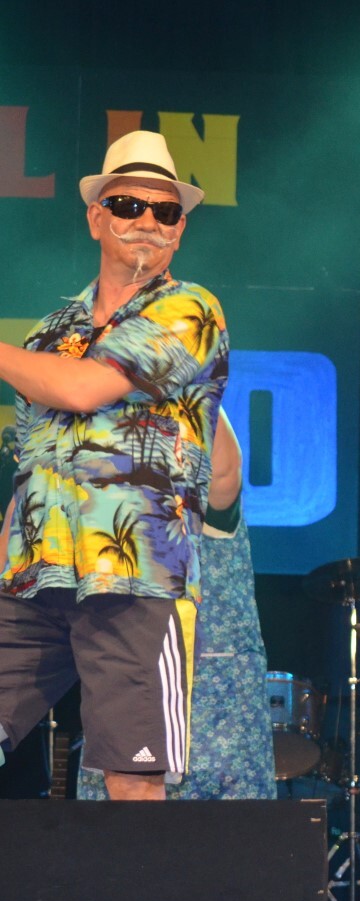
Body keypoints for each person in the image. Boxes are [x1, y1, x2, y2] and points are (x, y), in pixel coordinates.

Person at [0, 130, 228, 798]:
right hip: (32, 575)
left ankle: (143, 877)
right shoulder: (50, 332)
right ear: (97, 218)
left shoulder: (190, 308)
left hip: (134, 577)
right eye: (129, 205)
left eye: (166, 211)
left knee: (132, 777)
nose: (147, 221)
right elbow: (30, 460)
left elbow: (84, 389)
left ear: (180, 230)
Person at [79, 413, 275, 800]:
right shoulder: (103, 518)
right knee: (118, 834)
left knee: (232, 835)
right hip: (125, 713)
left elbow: (226, 471)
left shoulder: (202, 510)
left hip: (217, 728)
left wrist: (190, 384)